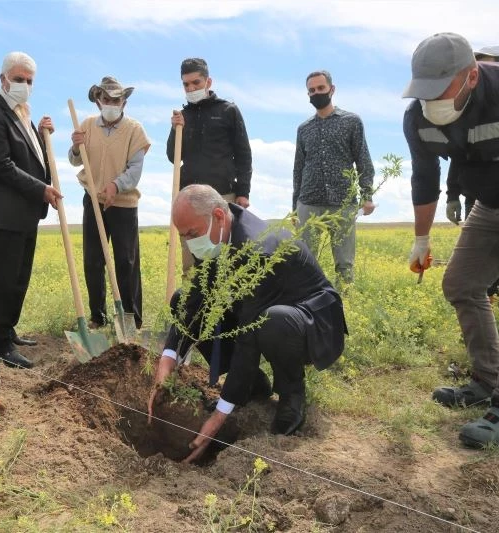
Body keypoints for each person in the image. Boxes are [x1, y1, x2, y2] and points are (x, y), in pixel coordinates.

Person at [403, 32, 499, 447]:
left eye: (441, 89)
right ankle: (486, 379)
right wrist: (421, 240)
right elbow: (424, 177)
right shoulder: (417, 117)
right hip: (489, 203)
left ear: (471, 77)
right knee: (460, 284)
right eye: (423, 91)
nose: (430, 100)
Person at [147, 184, 347, 463]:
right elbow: (194, 301)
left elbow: (248, 333)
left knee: (272, 322)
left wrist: (219, 417)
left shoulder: (256, 249)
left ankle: (292, 394)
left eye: (192, 234)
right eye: (183, 237)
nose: (190, 243)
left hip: (311, 319)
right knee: (182, 299)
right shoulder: (215, 233)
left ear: (218, 216)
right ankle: (252, 385)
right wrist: (167, 361)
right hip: (261, 308)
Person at [0, 51, 62, 369]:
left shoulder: (23, 115)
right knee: (4, 280)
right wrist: (42, 190)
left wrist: (42, 136)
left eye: (29, 81)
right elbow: (1, 165)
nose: (24, 85)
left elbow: (31, 159)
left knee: (19, 278)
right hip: (1, 215)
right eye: (18, 79)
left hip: (23, 213)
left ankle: (8, 330)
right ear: (3, 79)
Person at [69, 76, 150, 329]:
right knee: (93, 259)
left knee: (126, 260)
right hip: (93, 200)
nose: (111, 103)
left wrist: (116, 184)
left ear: (124, 102)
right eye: (106, 99)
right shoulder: (87, 126)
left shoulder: (135, 130)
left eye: (116, 99)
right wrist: (74, 147)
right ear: (98, 101)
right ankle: (98, 317)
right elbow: (75, 161)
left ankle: (131, 320)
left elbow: (135, 169)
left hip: (124, 204)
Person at [166, 58, 253, 274]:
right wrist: (175, 130)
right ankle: (193, 307)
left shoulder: (228, 110)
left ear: (208, 81)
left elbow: (243, 154)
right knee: (192, 267)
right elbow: (173, 156)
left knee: (226, 261)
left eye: (196, 82)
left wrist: (243, 193)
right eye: (186, 84)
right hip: (190, 200)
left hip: (223, 197)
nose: (191, 88)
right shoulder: (182, 116)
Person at [292, 70, 376, 284]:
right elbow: (298, 168)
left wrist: (367, 195)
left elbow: (363, 160)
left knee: (344, 262)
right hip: (308, 202)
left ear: (332, 89)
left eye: (321, 88)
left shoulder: (351, 121)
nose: (316, 93)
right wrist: (295, 207)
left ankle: (343, 303)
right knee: (305, 260)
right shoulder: (304, 129)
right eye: (311, 90)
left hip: (343, 202)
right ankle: (309, 302)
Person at [445, 47, 499, 301]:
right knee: (480, 260)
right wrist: (452, 196)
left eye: (486, 66)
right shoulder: (465, 111)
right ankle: (488, 297)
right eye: (477, 66)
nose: (478, 73)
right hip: (478, 200)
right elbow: (457, 158)